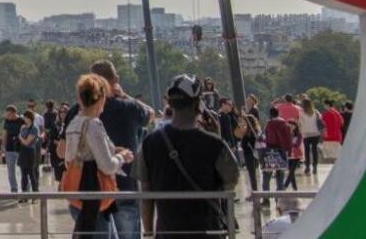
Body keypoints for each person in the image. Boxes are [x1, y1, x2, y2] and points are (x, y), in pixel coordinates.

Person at [136, 75, 238, 239]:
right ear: (198, 104)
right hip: (207, 232)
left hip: (167, 233)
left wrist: (148, 233)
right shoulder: (214, 144)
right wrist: (217, 135)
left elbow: (146, 195)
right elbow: (231, 181)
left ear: (169, 103)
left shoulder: (149, 143)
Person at [64, 74, 134, 239]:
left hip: (78, 195)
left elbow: (69, 158)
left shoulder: (74, 123)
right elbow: (107, 166)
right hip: (95, 197)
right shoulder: (94, 124)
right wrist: (122, 156)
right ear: (101, 97)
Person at [92, 59, 150, 239]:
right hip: (124, 184)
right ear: (114, 79)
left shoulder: (80, 111)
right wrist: (125, 95)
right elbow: (150, 114)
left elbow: (61, 151)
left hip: (92, 187)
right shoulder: (128, 106)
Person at [295, 98, 322, 177]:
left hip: (306, 134)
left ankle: (307, 167)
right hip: (316, 133)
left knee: (307, 151)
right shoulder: (316, 111)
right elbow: (320, 119)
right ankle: (315, 167)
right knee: (314, 150)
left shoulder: (301, 112)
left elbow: (300, 123)